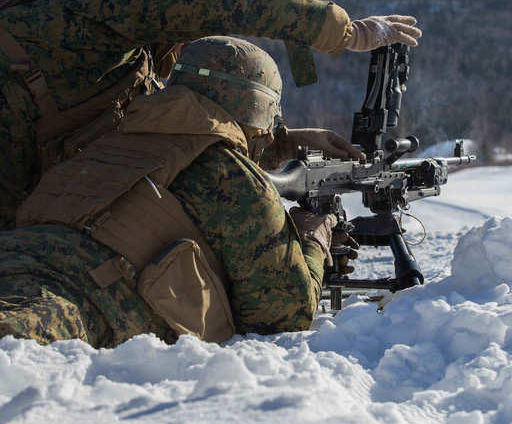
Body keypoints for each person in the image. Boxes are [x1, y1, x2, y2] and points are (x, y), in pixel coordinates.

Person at [0, 0, 422, 229]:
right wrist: (344, 33)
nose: (185, 47)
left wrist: (284, 144)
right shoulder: (98, 3)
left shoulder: (103, 56)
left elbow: (155, 145)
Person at [0, 36, 358, 347]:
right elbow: (284, 314)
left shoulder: (112, 135)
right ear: (258, 107)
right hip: (74, 303)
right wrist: (313, 239)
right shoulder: (233, 177)